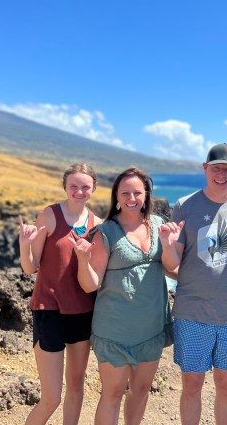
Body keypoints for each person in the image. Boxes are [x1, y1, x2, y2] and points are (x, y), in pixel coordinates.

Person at [157, 143, 227, 425]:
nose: (222, 174)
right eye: (216, 168)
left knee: (226, 387)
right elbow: (171, 265)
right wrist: (168, 247)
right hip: (192, 314)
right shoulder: (185, 206)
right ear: (205, 168)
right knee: (192, 386)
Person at [71, 167, 172, 425]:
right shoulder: (107, 232)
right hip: (115, 331)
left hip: (151, 329)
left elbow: (174, 268)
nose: (131, 198)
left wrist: (172, 245)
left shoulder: (159, 226)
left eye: (137, 192)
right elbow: (90, 284)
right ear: (116, 195)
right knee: (113, 393)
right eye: (125, 192)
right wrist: (83, 260)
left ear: (146, 194)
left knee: (141, 391)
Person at [18, 163, 102, 425]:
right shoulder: (49, 215)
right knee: (51, 397)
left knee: (76, 388)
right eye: (73, 186)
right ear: (65, 187)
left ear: (94, 189)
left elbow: (95, 275)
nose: (79, 191)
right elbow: (30, 267)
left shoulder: (97, 224)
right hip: (49, 310)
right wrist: (24, 245)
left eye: (85, 186)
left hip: (83, 312)